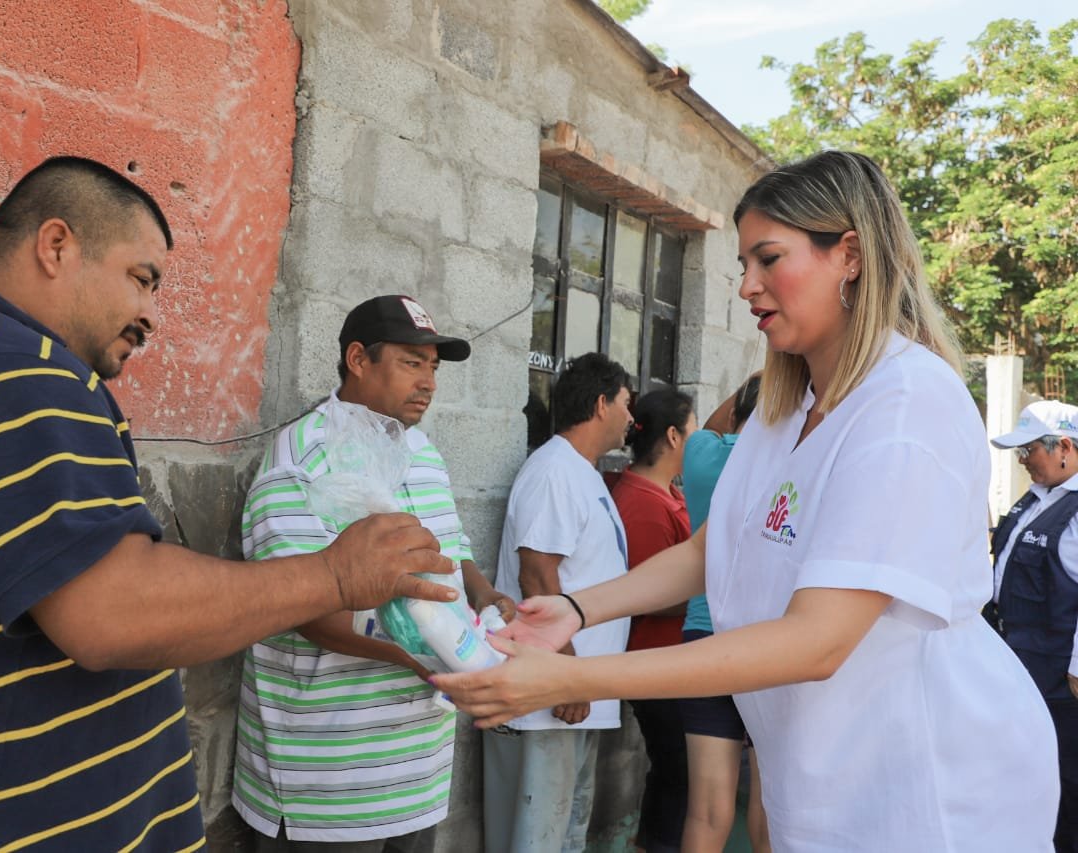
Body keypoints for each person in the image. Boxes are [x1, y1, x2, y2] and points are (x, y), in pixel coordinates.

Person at [0, 158, 455, 851]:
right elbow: (107, 609)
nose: (150, 315)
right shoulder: (5, 364)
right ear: (57, 247)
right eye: (141, 278)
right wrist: (335, 576)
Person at [434, 150, 1060, 851]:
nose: (746, 287)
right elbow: (714, 548)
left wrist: (571, 675)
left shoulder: (908, 403)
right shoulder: (783, 408)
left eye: (768, 259)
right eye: (742, 265)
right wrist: (579, 609)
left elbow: (818, 639)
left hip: (927, 788)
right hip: (824, 777)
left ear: (849, 254)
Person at [231, 294, 514, 852]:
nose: (429, 382)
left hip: (418, 777)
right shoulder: (303, 456)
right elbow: (302, 609)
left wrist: (485, 597)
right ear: (358, 359)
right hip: (327, 787)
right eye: (412, 362)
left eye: (433, 367)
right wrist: (432, 659)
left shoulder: (424, 454)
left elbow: (452, 553)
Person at [483, 352, 633, 853]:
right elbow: (536, 574)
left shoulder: (581, 472)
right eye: (625, 405)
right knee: (538, 835)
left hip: (575, 690)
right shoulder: (554, 471)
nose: (632, 418)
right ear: (600, 404)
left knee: (565, 830)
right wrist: (566, 670)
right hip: (552, 691)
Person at [677, 374, 769, 853]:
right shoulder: (792, 460)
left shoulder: (702, 455)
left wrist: (766, 374)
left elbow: (714, 423)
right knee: (768, 804)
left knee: (707, 809)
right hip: (769, 646)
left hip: (703, 639)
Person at [608, 386, 696, 853]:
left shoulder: (666, 492)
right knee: (677, 773)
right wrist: (708, 598)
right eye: (694, 430)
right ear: (674, 437)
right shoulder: (642, 502)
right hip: (654, 661)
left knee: (680, 774)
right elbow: (645, 593)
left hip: (674, 662)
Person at [988, 399, 1078, 850]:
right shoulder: (1040, 495)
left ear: (1064, 446)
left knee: (1065, 782)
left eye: (1029, 450)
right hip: (1020, 666)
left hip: (1058, 679)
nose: (1022, 460)